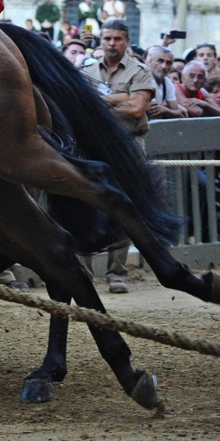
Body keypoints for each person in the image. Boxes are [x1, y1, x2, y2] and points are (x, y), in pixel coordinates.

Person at [81, 18, 153, 294]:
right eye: (107, 39)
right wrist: (122, 97)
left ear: (127, 41)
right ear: (100, 40)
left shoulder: (140, 71)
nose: (111, 44)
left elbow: (137, 109)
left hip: (128, 145)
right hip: (92, 145)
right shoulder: (86, 70)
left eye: (117, 39)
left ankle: (117, 274)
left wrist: (99, 104)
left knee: (124, 208)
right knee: (85, 205)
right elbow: (77, 104)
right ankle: (84, 273)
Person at [145, 46, 184, 119]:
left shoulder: (166, 82)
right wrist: (167, 111)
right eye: (160, 61)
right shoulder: (143, 78)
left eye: (168, 63)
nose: (164, 66)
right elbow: (153, 112)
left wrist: (165, 110)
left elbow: (179, 113)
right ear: (150, 61)